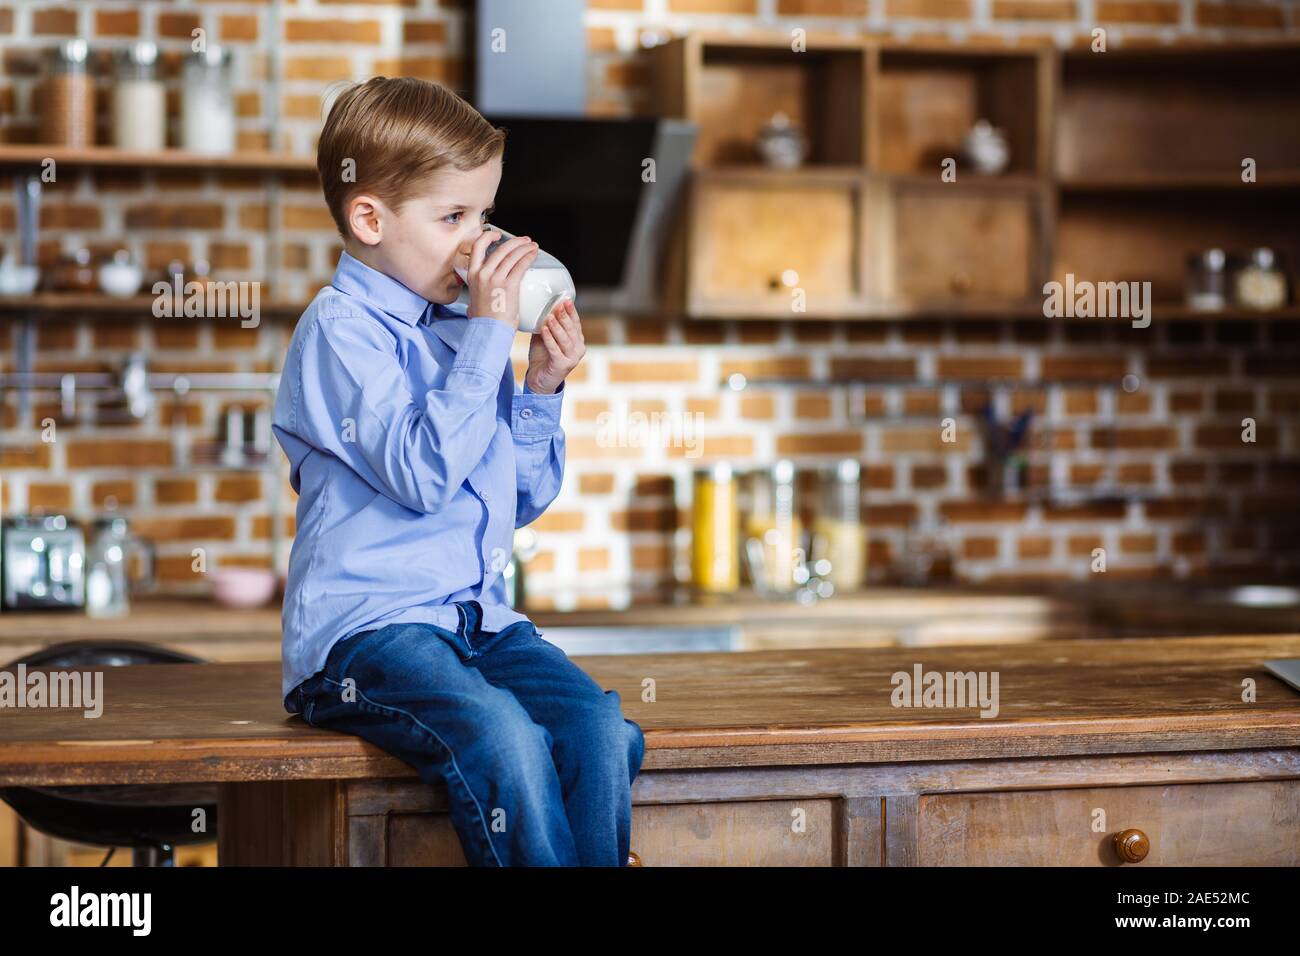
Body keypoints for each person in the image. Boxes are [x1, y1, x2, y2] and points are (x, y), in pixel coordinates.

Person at [271, 76, 645, 866]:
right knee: (504, 738)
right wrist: (486, 338)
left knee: (599, 731)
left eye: (482, 215)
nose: (479, 241)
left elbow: (516, 499)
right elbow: (422, 475)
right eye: (454, 218)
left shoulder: (459, 331)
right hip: (367, 636)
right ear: (369, 217)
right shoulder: (339, 333)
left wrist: (540, 388)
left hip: (474, 624)